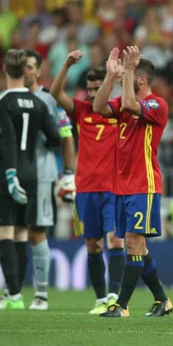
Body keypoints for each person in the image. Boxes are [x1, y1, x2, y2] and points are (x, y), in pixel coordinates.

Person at [93, 46, 172, 317]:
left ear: (141, 80)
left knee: (133, 242)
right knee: (136, 244)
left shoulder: (157, 105)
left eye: (131, 75)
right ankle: (162, 300)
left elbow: (128, 103)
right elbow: (98, 107)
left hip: (144, 184)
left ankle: (122, 305)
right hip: (123, 186)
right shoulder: (125, 103)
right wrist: (110, 77)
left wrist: (126, 70)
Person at [49, 50, 126, 314]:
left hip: (113, 187)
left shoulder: (119, 111)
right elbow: (55, 93)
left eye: (98, 88)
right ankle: (101, 298)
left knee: (115, 239)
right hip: (85, 188)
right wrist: (67, 65)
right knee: (92, 244)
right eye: (91, 89)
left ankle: (115, 295)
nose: (94, 94)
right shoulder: (82, 111)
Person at [0, 49, 60, 310]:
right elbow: (55, 137)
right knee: (21, 234)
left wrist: (10, 174)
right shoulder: (38, 103)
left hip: (8, 172)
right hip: (33, 173)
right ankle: (15, 294)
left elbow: (8, 140)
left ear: (5, 72)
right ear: (25, 71)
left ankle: (13, 295)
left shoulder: (3, 103)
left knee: (4, 234)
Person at [25, 49, 77, 310]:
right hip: (9, 174)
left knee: (36, 231)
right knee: (7, 233)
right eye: (20, 66)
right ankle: (12, 293)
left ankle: (41, 294)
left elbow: (66, 134)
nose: (24, 71)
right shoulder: (4, 98)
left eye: (29, 66)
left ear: (38, 71)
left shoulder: (48, 99)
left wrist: (68, 174)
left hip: (41, 174)